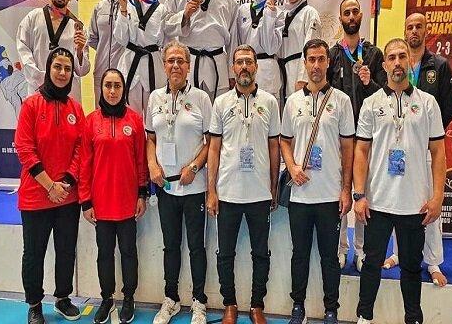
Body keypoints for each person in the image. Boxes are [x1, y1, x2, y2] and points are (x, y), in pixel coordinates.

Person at [353, 38, 446, 324]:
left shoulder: (428, 103)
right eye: (391, 57)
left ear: (410, 62)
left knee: (411, 267)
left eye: (402, 57)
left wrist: (438, 196)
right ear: (384, 65)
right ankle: (364, 317)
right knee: (371, 264)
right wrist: (359, 195)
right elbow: (361, 150)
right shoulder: (371, 104)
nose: (397, 62)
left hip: (414, 204)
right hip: (378, 202)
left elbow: (438, 151)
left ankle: (413, 318)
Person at [280, 39, 354, 324]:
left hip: (330, 195)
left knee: (329, 257)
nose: (316, 65)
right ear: (305, 63)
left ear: (328, 62)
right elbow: (284, 140)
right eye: (311, 59)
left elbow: (348, 148)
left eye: (321, 59)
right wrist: (292, 167)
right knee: (299, 255)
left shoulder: (341, 101)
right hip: (300, 195)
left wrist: (346, 189)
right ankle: (297, 307)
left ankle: (331, 309)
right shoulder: (292, 102)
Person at [207, 44, 281, 324]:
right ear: (233, 68)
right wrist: (211, 190)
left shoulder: (270, 102)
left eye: (249, 62)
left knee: (261, 253)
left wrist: (273, 187)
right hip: (228, 192)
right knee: (225, 253)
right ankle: (229, 304)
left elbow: (274, 147)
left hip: (260, 193)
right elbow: (214, 148)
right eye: (239, 62)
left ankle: (257, 305)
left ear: (256, 66)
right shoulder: (221, 103)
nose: (244, 67)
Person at [382, 13, 452, 287]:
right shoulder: (397, 64)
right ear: (405, 31)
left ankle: (434, 261)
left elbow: (449, 107)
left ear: (427, 31)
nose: (414, 31)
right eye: (410, 27)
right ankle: (398, 253)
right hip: (398, 148)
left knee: (430, 203)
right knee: (398, 200)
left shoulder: (439, 65)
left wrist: (428, 135)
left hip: (425, 147)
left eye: (418, 27)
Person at [14, 47, 85, 324]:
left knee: (66, 250)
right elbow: (25, 148)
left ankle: (63, 298)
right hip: (36, 196)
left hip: (67, 196)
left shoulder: (75, 109)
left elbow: (81, 149)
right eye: (58, 67)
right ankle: (34, 304)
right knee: (34, 254)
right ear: (48, 69)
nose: (63, 73)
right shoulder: (31, 105)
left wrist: (65, 183)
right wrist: (49, 185)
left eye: (67, 68)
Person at [146, 40, 212, 324]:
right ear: (164, 65)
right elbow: (150, 138)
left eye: (180, 61)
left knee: (196, 247)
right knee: (170, 246)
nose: (175, 65)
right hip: (166, 187)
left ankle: (199, 302)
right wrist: (152, 165)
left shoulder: (201, 98)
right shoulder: (154, 98)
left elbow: (211, 143)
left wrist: (195, 167)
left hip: (194, 187)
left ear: (188, 65)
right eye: (170, 61)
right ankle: (170, 299)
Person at [79, 68, 148, 324]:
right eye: (108, 85)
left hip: (128, 202)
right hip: (101, 204)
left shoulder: (135, 121)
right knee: (104, 254)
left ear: (123, 89)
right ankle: (107, 299)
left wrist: (142, 194)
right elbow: (84, 164)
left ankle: (129, 297)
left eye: (117, 86)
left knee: (129, 252)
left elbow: (141, 161)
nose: (112, 91)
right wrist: (85, 201)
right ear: (102, 89)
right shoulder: (90, 122)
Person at [327, 0, 386, 270]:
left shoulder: (374, 55)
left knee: (363, 193)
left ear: (361, 16)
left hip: (366, 137)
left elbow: (384, 95)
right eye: (346, 13)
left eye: (354, 12)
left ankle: (361, 250)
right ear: (340, 18)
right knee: (340, 193)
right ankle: (340, 247)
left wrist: (369, 82)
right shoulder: (333, 55)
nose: (351, 16)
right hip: (339, 137)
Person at [17, 0, 90, 101]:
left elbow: (82, 71)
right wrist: (42, 79)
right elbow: (24, 52)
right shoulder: (32, 18)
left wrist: (80, 52)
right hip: (38, 91)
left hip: (68, 94)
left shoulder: (77, 27)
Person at [115, 0, 174, 115]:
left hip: (153, 66)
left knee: (155, 116)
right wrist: (122, 9)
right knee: (130, 116)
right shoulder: (127, 3)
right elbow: (121, 39)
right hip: (130, 64)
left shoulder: (162, 9)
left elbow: (167, 44)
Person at [230, 0, 282, 99]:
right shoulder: (242, 10)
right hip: (245, 69)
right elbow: (236, 43)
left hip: (268, 72)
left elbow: (270, 48)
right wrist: (233, 71)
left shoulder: (278, 13)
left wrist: (269, 15)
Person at [276, 0, 321, 105]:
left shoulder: (310, 13)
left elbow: (312, 49)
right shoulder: (282, 15)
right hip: (282, 71)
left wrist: (303, 78)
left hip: (299, 71)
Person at [88, 0, 129, 105]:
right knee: (100, 112)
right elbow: (92, 38)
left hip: (124, 71)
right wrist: (105, 50)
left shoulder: (132, 6)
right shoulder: (99, 7)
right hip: (101, 69)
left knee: (123, 112)